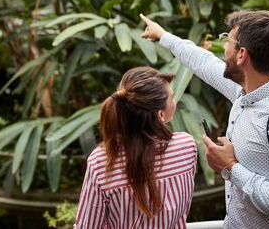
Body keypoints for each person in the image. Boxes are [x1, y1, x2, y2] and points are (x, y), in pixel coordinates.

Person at [140, 11, 269, 229]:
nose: (223, 48)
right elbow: (203, 62)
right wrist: (163, 36)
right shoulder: (247, 92)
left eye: (226, 41)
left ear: (241, 55)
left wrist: (230, 167)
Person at [74, 66, 197, 228]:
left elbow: (87, 226)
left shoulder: (101, 161)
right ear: (160, 115)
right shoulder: (186, 147)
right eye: (172, 98)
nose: (175, 101)